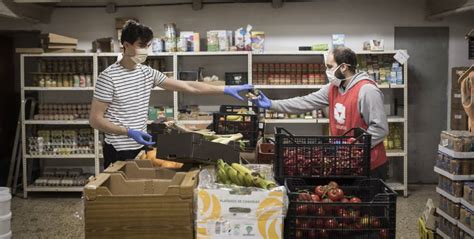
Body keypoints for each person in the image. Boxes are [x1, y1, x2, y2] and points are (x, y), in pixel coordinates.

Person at [89, 20, 252, 168]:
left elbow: (188, 86)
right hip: (118, 149)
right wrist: (128, 131)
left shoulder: (147, 73)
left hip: (142, 146)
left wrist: (225, 89)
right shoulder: (108, 77)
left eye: (148, 45)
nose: (145, 49)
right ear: (126, 45)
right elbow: (95, 120)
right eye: (141, 45)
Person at [252, 47, 389, 179]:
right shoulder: (333, 88)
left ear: (343, 67)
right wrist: (271, 104)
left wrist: (355, 147)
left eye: (330, 67)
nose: (326, 71)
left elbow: (380, 128)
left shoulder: (367, 90)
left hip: (370, 164)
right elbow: (304, 102)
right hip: (346, 161)